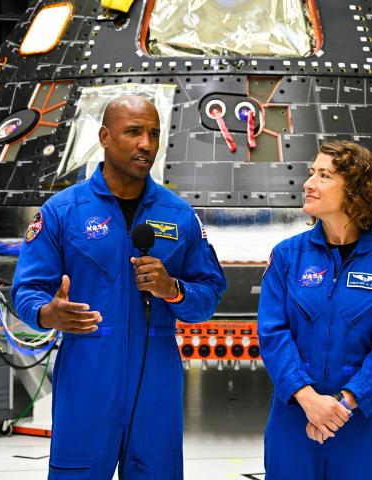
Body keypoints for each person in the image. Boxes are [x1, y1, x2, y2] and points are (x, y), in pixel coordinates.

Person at [12, 95, 227, 479]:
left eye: (153, 134)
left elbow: (208, 296)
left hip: (157, 377)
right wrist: (48, 313)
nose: (146, 144)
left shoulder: (180, 216)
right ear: (105, 137)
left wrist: (173, 289)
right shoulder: (62, 211)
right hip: (87, 372)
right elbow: (26, 291)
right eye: (133, 132)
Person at [258, 140, 372, 480]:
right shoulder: (287, 257)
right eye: (311, 173)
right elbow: (273, 334)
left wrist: (343, 405)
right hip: (294, 420)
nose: (308, 183)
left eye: (323, 175)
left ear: (355, 189)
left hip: (359, 423)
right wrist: (308, 399)